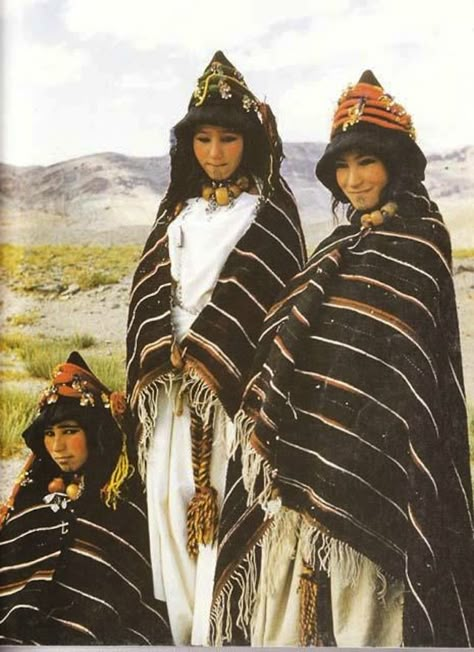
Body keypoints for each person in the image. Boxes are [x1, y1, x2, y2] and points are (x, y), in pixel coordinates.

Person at [209, 70, 474, 646]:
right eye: (342, 168)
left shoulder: (422, 244)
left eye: (367, 164)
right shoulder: (334, 245)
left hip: (373, 464)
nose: (353, 181)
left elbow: (405, 371)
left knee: (361, 617)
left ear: (396, 165)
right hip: (301, 452)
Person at [125, 50, 306, 645]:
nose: (214, 152)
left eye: (228, 138)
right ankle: (182, 632)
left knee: (224, 513)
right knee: (169, 506)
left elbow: (272, 304)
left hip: (232, 393)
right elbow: (149, 295)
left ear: (248, 142)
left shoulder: (271, 215)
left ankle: (218, 633)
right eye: (203, 139)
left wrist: (208, 351)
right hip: (172, 395)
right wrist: (162, 351)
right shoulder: (176, 213)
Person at [0, 352, 171, 645]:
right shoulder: (31, 496)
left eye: (69, 431)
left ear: (94, 433)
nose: (57, 447)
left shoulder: (123, 501)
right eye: (49, 434)